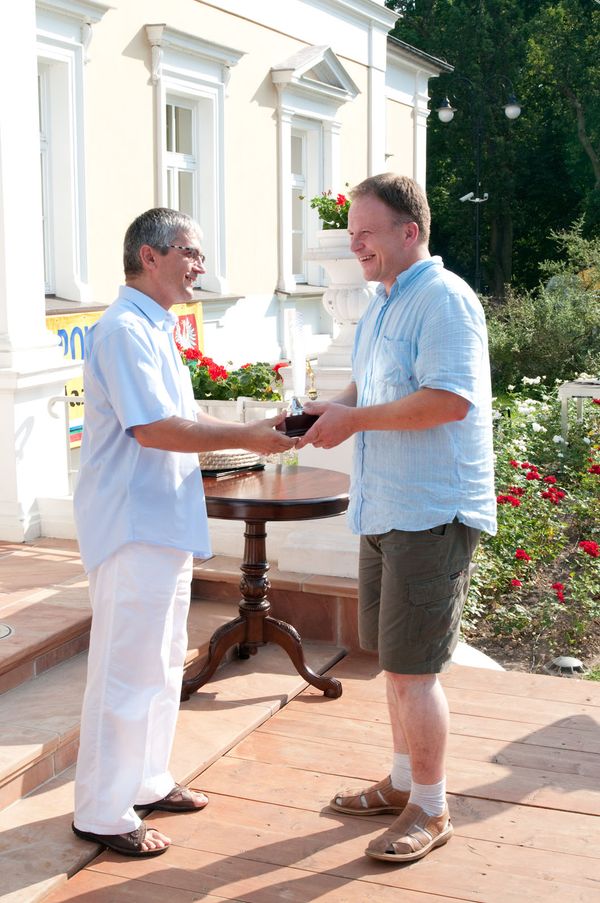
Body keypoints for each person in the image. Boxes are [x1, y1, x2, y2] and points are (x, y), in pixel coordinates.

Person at [72, 208, 295, 858]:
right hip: (131, 524)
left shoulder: (153, 326)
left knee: (162, 661)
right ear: (150, 255)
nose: (200, 265)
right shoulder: (123, 331)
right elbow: (153, 428)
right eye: (190, 252)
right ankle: (102, 810)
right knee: (125, 670)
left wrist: (247, 441)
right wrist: (247, 434)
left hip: (159, 519)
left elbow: (179, 418)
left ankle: (146, 779)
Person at [297, 173, 496, 864]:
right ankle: (403, 782)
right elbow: (372, 383)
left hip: (430, 510)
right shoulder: (384, 302)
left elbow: (448, 401)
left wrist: (354, 420)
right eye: (352, 233)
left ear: (409, 232)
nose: (355, 244)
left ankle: (432, 808)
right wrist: (336, 408)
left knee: (415, 672)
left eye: (366, 233)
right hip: (385, 506)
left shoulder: (444, 301)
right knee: (396, 664)